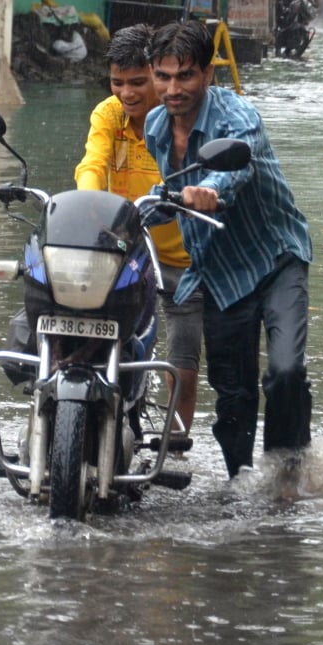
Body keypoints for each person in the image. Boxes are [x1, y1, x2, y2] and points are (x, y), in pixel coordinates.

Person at [143, 20, 313, 479]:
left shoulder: (238, 116)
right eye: (163, 76)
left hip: (276, 259)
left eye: (186, 76)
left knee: (285, 373)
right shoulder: (156, 127)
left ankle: (287, 475)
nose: (173, 89)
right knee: (233, 394)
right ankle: (241, 482)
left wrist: (210, 190)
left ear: (208, 75)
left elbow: (234, 167)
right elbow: (169, 194)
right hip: (219, 271)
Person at [74, 24, 203, 437]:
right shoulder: (108, 114)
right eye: (117, 83)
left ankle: (177, 442)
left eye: (138, 83)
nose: (127, 94)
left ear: (157, 75)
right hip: (129, 250)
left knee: (182, 362)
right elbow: (92, 164)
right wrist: (87, 205)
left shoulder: (181, 118)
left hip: (183, 258)